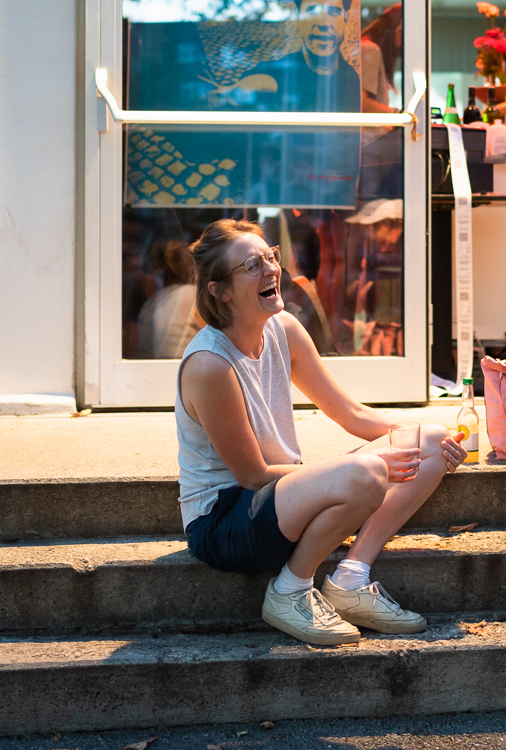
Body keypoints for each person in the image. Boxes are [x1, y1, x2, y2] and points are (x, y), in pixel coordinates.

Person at [177, 219, 466, 645]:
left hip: (283, 500)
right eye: (252, 265)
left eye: (270, 257)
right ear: (221, 290)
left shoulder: (284, 329)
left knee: (431, 438)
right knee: (366, 472)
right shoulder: (210, 365)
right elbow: (252, 476)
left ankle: (350, 578)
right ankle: (289, 591)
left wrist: (425, 438)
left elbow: (351, 414)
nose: (271, 269)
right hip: (225, 521)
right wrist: (369, 465)